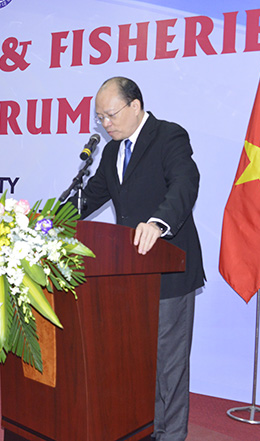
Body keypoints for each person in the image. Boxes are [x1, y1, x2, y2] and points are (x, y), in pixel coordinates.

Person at [75, 77, 205, 441]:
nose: (105, 124)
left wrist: (158, 222)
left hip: (169, 269)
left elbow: (185, 183)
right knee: (136, 361)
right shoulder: (112, 153)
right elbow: (88, 199)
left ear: (135, 106)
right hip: (129, 273)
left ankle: (171, 435)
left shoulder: (169, 136)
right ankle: (145, 430)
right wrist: (45, 223)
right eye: (100, 117)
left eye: (111, 114)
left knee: (169, 364)